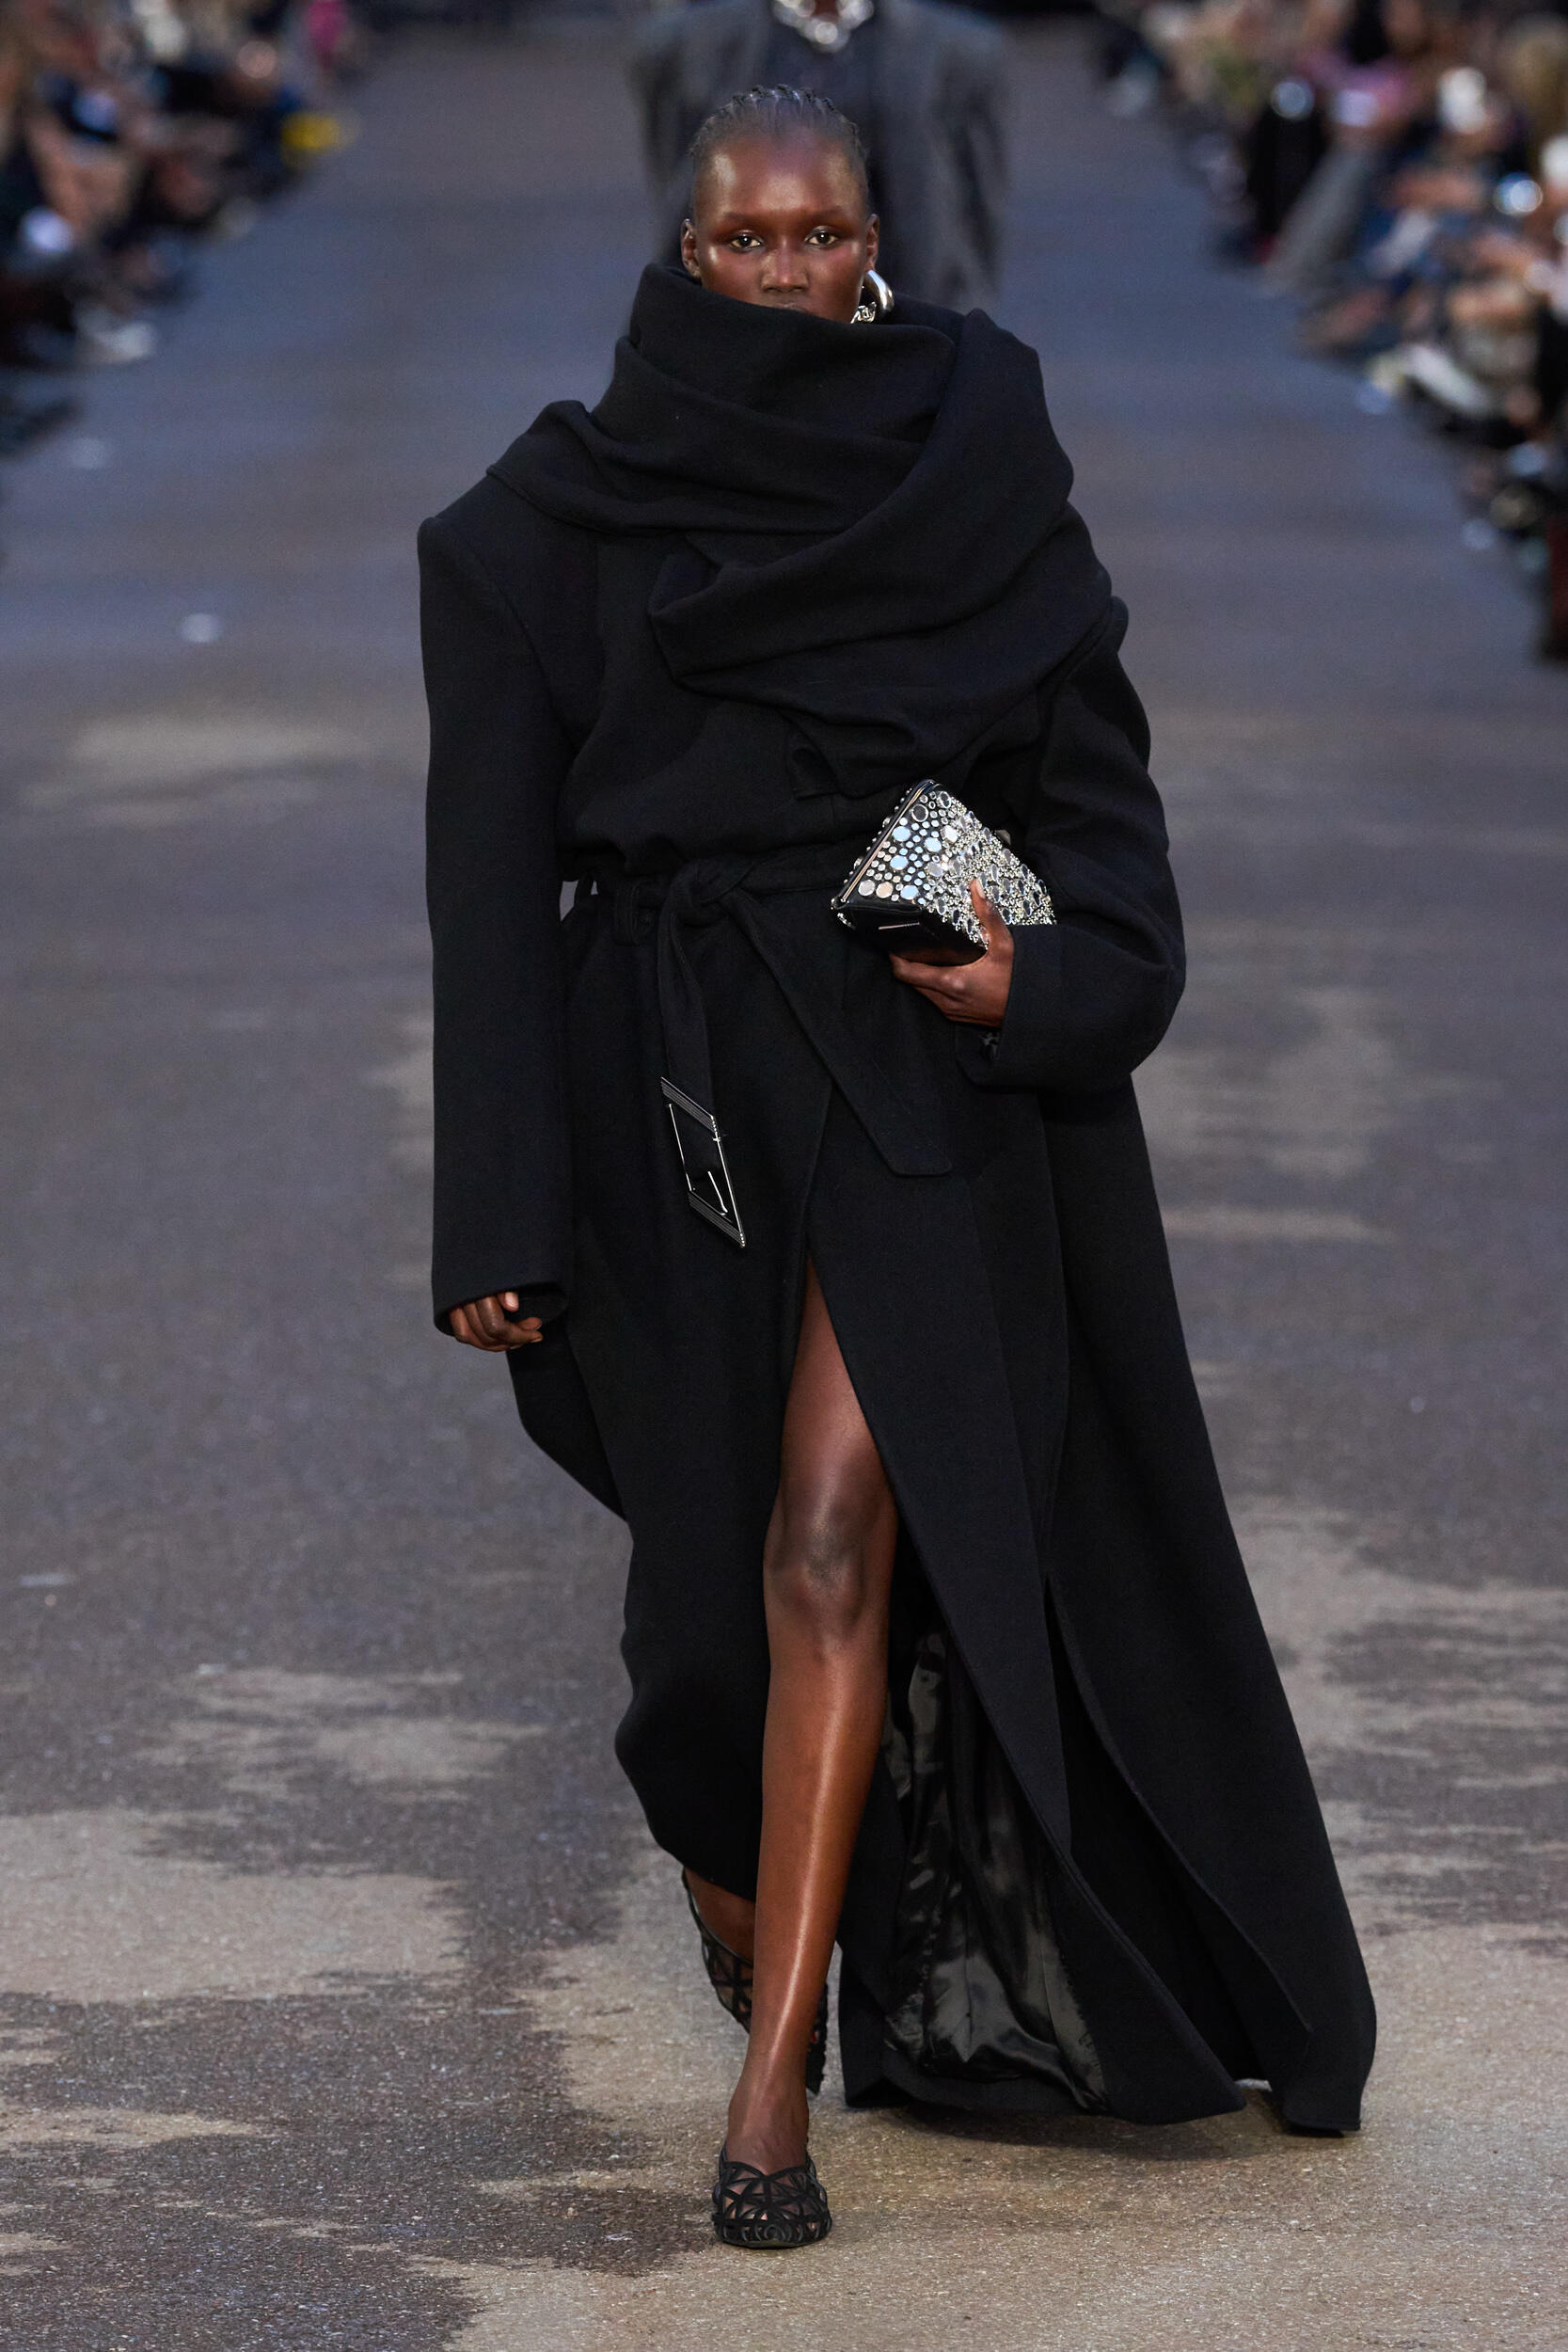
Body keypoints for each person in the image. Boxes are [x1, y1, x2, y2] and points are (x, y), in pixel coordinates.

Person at [419, 86, 1376, 2252]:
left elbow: (1092, 799)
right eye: (745, 241)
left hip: (904, 1058)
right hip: (669, 1085)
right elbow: (486, 904)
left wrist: (1045, 976)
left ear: (878, 236)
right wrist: (495, 1210)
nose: (786, 272)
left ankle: (773, 2090)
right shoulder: (536, 525)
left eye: (822, 234)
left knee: (836, 1530)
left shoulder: (977, 457)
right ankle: (726, 1855)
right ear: (682, 251)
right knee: (701, 1619)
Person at [627, 0, 1006, 308]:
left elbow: (977, 212)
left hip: (904, 312)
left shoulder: (959, 51)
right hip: (741, 321)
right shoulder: (690, 46)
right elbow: (678, 180)